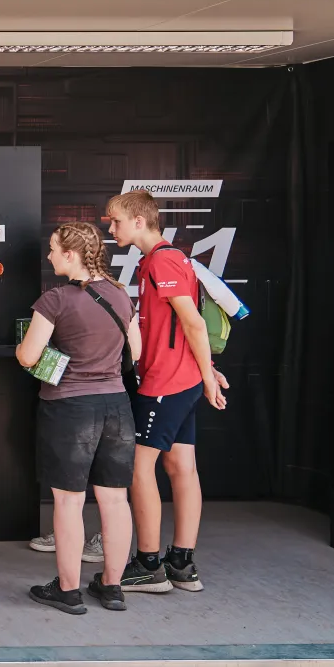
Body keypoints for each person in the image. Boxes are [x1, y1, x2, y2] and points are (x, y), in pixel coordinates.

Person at [106, 190, 228, 594]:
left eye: (116, 221)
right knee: (181, 468)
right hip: (180, 380)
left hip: (167, 384)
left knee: (140, 470)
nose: (111, 228)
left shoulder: (162, 261)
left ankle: (148, 565)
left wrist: (207, 376)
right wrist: (204, 370)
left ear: (139, 221)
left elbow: (192, 322)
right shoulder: (157, 262)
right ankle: (181, 564)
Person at [17, 222, 141, 614]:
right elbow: (135, 351)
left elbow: (28, 356)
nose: (50, 255)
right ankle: (112, 586)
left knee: (69, 502)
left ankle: (68, 591)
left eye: (53, 249)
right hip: (117, 407)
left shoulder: (55, 300)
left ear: (70, 255)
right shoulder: (121, 296)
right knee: (115, 500)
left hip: (70, 409)